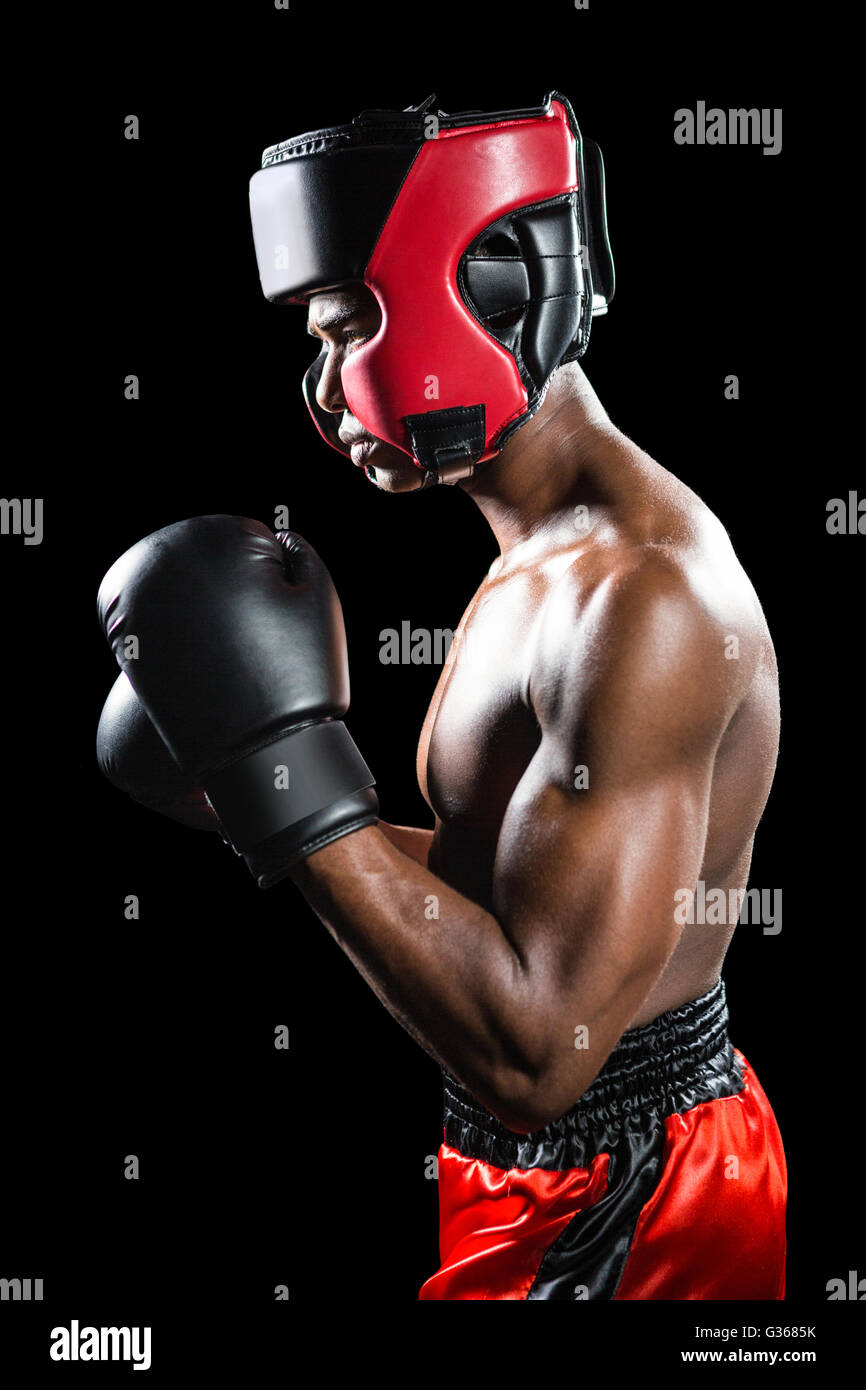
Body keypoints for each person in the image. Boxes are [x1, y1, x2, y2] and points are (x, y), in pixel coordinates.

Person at [97, 93, 786, 1299]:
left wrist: (291, 777)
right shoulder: (538, 552)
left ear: (491, 292)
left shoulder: (643, 598)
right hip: (538, 1176)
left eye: (348, 324)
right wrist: (251, 793)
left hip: (633, 1199)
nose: (322, 390)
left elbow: (537, 1051)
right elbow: (500, 883)